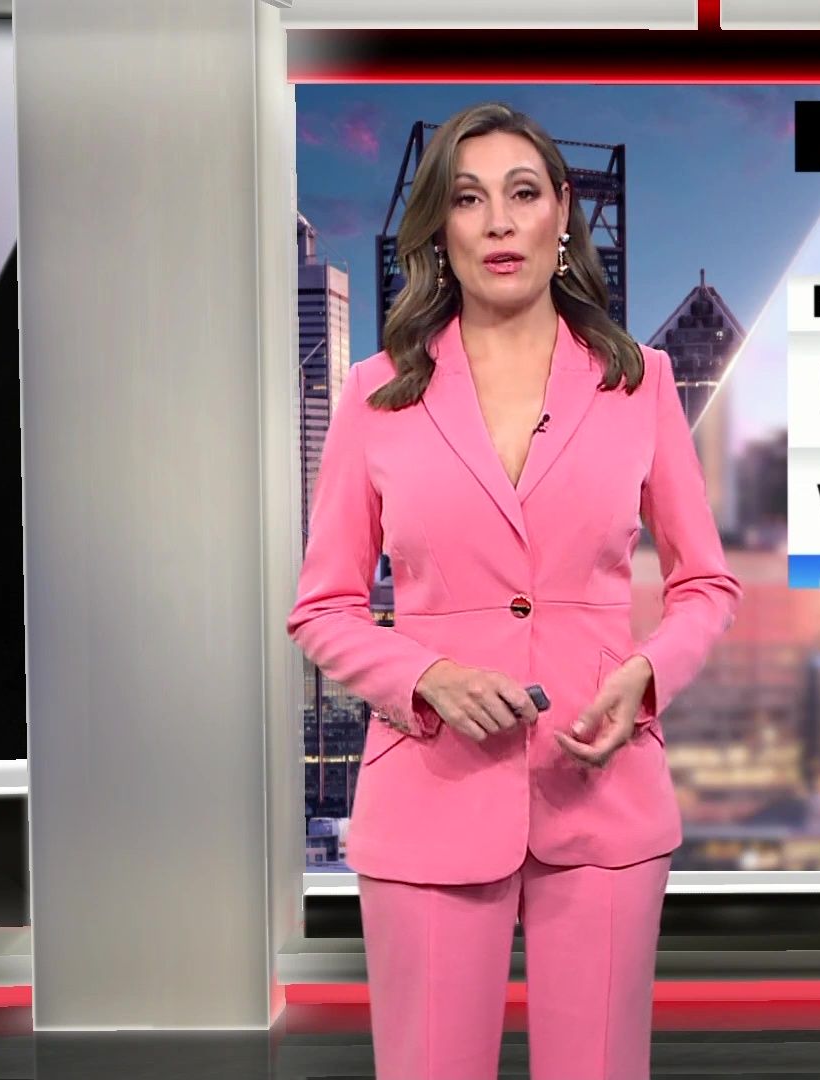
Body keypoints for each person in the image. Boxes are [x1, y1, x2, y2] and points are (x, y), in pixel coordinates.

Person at [286, 101, 741, 1079]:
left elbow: (706, 584)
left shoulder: (642, 383)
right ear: (440, 230)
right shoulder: (374, 395)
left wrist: (646, 679)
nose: (498, 221)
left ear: (562, 214)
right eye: (468, 199)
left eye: (523, 194)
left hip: (601, 785)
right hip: (431, 790)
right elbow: (322, 608)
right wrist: (425, 677)